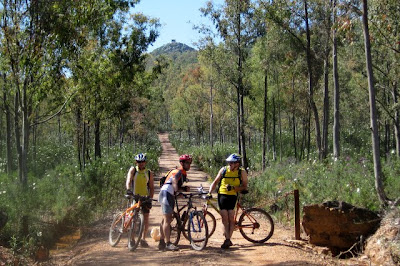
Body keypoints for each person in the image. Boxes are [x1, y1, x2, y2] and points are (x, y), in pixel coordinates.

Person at [208, 153, 248, 249]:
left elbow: (244, 186)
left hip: (233, 196)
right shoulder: (223, 170)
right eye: (229, 163)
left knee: (231, 217)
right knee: (224, 218)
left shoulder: (241, 172)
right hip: (222, 195)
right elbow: (215, 182)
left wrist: (234, 188)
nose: (230, 164)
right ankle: (227, 239)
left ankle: (227, 239)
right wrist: (209, 192)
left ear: (237, 164)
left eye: (232, 163)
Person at [158, 154, 192, 251]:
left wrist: (182, 189)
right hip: (167, 193)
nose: (189, 165)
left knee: (165, 219)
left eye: (190, 163)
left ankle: (161, 242)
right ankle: (168, 243)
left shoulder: (181, 172)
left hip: (167, 192)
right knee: (167, 219)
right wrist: (176, 190)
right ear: (182, 163)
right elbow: (173, 180)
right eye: (187, 163)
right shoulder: (179, 171)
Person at [126, 153, 154, 248]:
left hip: (145, 198)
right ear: (136, 162)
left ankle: (143, 239)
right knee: (133, 218)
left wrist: (150, 198)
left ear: (145, 162)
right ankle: (131, 239)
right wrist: (128, 189)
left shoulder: (149, 173)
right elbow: (129, 180)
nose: (141, 164)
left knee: (145, 220)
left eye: (142, 162)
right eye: (139, 162)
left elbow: (151, 187)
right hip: (135, 197)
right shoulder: (133, 170)